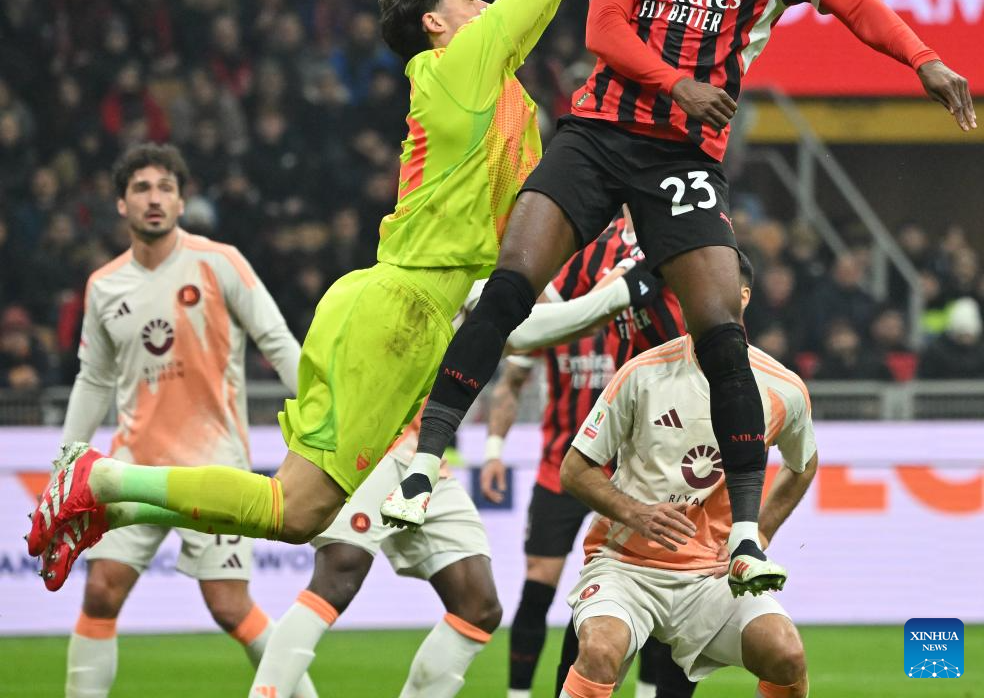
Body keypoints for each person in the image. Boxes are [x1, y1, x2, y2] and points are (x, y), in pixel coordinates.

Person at [29, 0, 650, 583]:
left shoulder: (483, 75)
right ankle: (101, 480)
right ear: (436, 25)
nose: (486, 1)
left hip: (401, 312)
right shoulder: (460, 66)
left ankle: (109, 507)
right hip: (400, 312)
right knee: (293, 511)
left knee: (300, 513)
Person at [389, 0, 975, 597]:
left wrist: (923, 58)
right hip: (597, 135)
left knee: (722, 334)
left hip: (681, 159)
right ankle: (424, 463)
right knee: (510, 285)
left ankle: (744, 537)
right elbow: (604, 32)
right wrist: (678, 84)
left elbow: (855, 3)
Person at [249, 248, 662, 698]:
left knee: (478, 606)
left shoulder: (470, 273)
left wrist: (615, 292)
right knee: (340, 571)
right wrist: (623, 289)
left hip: (423, 457)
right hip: (374, 444)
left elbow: (533, 326)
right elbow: (531, 330)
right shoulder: (436, 269)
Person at [42, 144, 318, 698]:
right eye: (142, 188)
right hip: (133, 468)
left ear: (182, 201)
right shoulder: (104, 286)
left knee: (229, 604)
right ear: (121, 204)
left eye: (165, 188)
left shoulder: (220, 262)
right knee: (101, 592)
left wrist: (322, 415)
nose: (154, 198)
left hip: (215, 467)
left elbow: (277, 342)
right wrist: (64, 465)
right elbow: (93, 380)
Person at [558, 253, 817, 698]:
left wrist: (757, 534)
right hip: (626, 566)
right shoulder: (642, 374)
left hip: (712, 578)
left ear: (743, 296)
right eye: (690, 285)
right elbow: (574, 469)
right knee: (599, 651)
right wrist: (634, 512)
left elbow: (804, 463)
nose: (699, 294)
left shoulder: (783, 388)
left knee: (786, 654)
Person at [478, 211, 690, 698]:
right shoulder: (558, 318)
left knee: (649, 580)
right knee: (540, 582)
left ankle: (643, 691)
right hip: (561, 466)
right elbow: (512, 378)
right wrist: (493, 451)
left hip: (626, 469)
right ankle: (518, 694)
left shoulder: (641, 310)